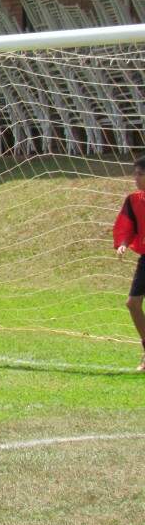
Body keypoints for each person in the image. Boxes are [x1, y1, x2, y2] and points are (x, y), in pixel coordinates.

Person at [112, 155, 145, 372]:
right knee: (132, 303)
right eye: (135, 173)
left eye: (140, 174)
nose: (135, 178)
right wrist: (123, 243)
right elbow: (128, 226)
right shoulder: (133, 200)